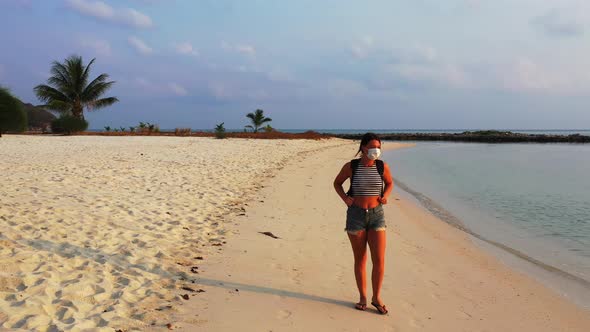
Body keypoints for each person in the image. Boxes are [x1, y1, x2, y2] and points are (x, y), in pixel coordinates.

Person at [333, 133, 393, 314]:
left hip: (377, 215)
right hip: (356, 216)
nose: (377, 151)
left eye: (379, 147)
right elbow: (337, 183)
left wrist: (385, 197)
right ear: (364, 147)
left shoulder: (382, 166)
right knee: (360, 259)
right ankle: (363, 297)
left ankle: (376, 297)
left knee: (379, 260)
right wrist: (346, 199)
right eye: (373, 147)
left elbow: (389, 183)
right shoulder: (351, 166)